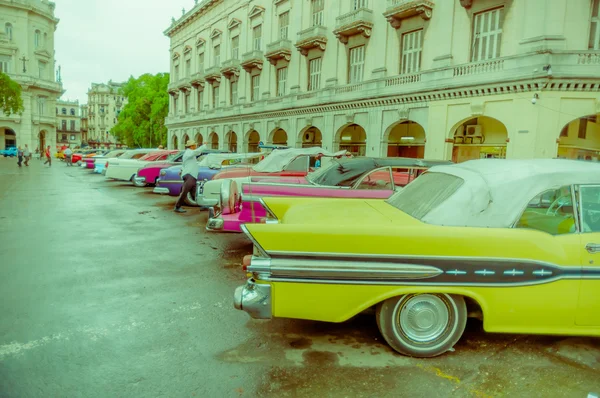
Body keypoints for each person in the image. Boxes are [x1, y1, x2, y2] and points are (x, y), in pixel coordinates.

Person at [174, 139, 208, 213]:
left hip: (191, 175)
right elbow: (197, 152)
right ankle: (177, 206)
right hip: (190, 175)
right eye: (195, 145)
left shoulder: (189, 153)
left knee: (194, 192)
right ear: (192, 146)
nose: (196, 146)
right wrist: (204, 145)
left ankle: (202, 205)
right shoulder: (189, 152)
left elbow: (185, 164)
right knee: (185, 192)